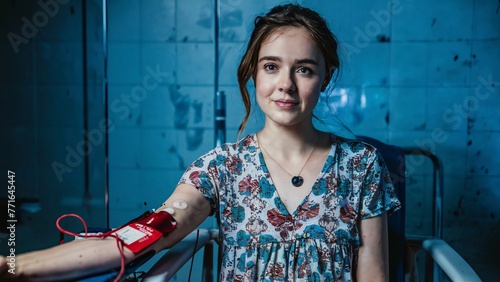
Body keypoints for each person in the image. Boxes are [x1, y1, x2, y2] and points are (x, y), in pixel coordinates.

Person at [0, 3, 400, 281]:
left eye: (305, 69)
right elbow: (142, 237)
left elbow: (375, 276)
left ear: (325, 79)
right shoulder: (220, 168)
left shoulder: (360, 166)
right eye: (271, 66)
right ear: (253, 75)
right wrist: (13, 265)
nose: (286, 85)